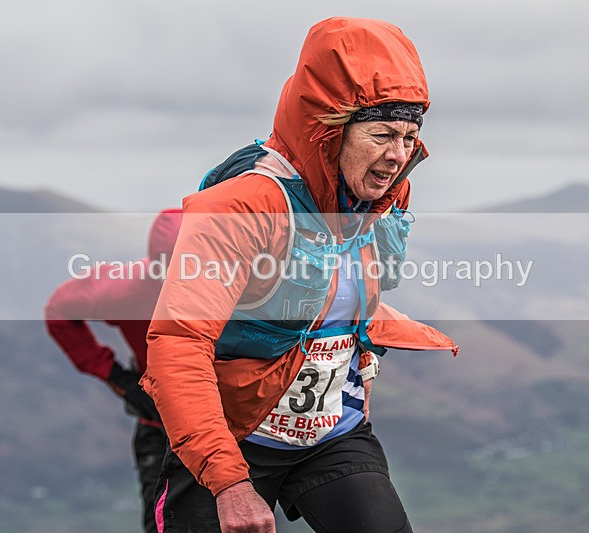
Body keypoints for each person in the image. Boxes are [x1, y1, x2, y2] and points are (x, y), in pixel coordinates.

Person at [142, 17, 457, 533]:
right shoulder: (244, 207)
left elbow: (344, 300)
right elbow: (179, 344)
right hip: (235, 438)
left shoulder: (381, 193)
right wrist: (228, 482)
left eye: (409, 136)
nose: (398, 156)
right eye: (381, 134)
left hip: (332, 434)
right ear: (329, 133)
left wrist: (370, 352)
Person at [45, 209, 182, 533]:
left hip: (227, 423)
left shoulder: (239, 282)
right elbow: (58, 311)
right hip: (163, 426)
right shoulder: (126, 290)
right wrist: (119, 378)